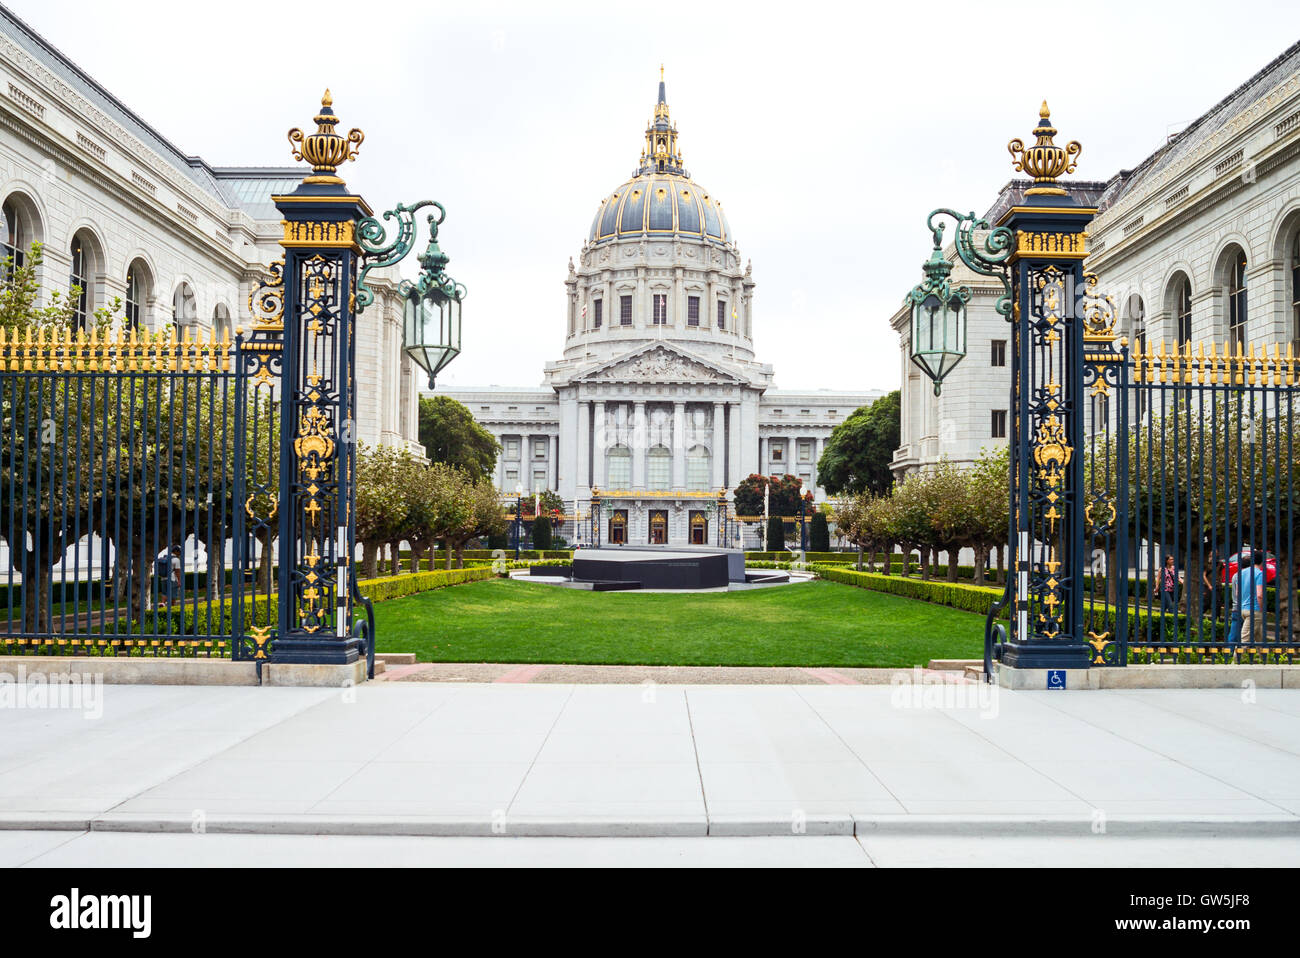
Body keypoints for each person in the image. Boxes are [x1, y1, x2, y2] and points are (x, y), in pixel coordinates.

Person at [1235, 551, 1266, 645]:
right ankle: (1236, 660)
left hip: (1243, 609)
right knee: (1245, 639)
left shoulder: (1241, 573)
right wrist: (1261, 609)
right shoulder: (1259, 574)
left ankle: (1265, 658)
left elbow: (1237, 593)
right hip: (1254, 610)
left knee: (1259, 636)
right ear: (1262, 561)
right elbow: (1260, 595)